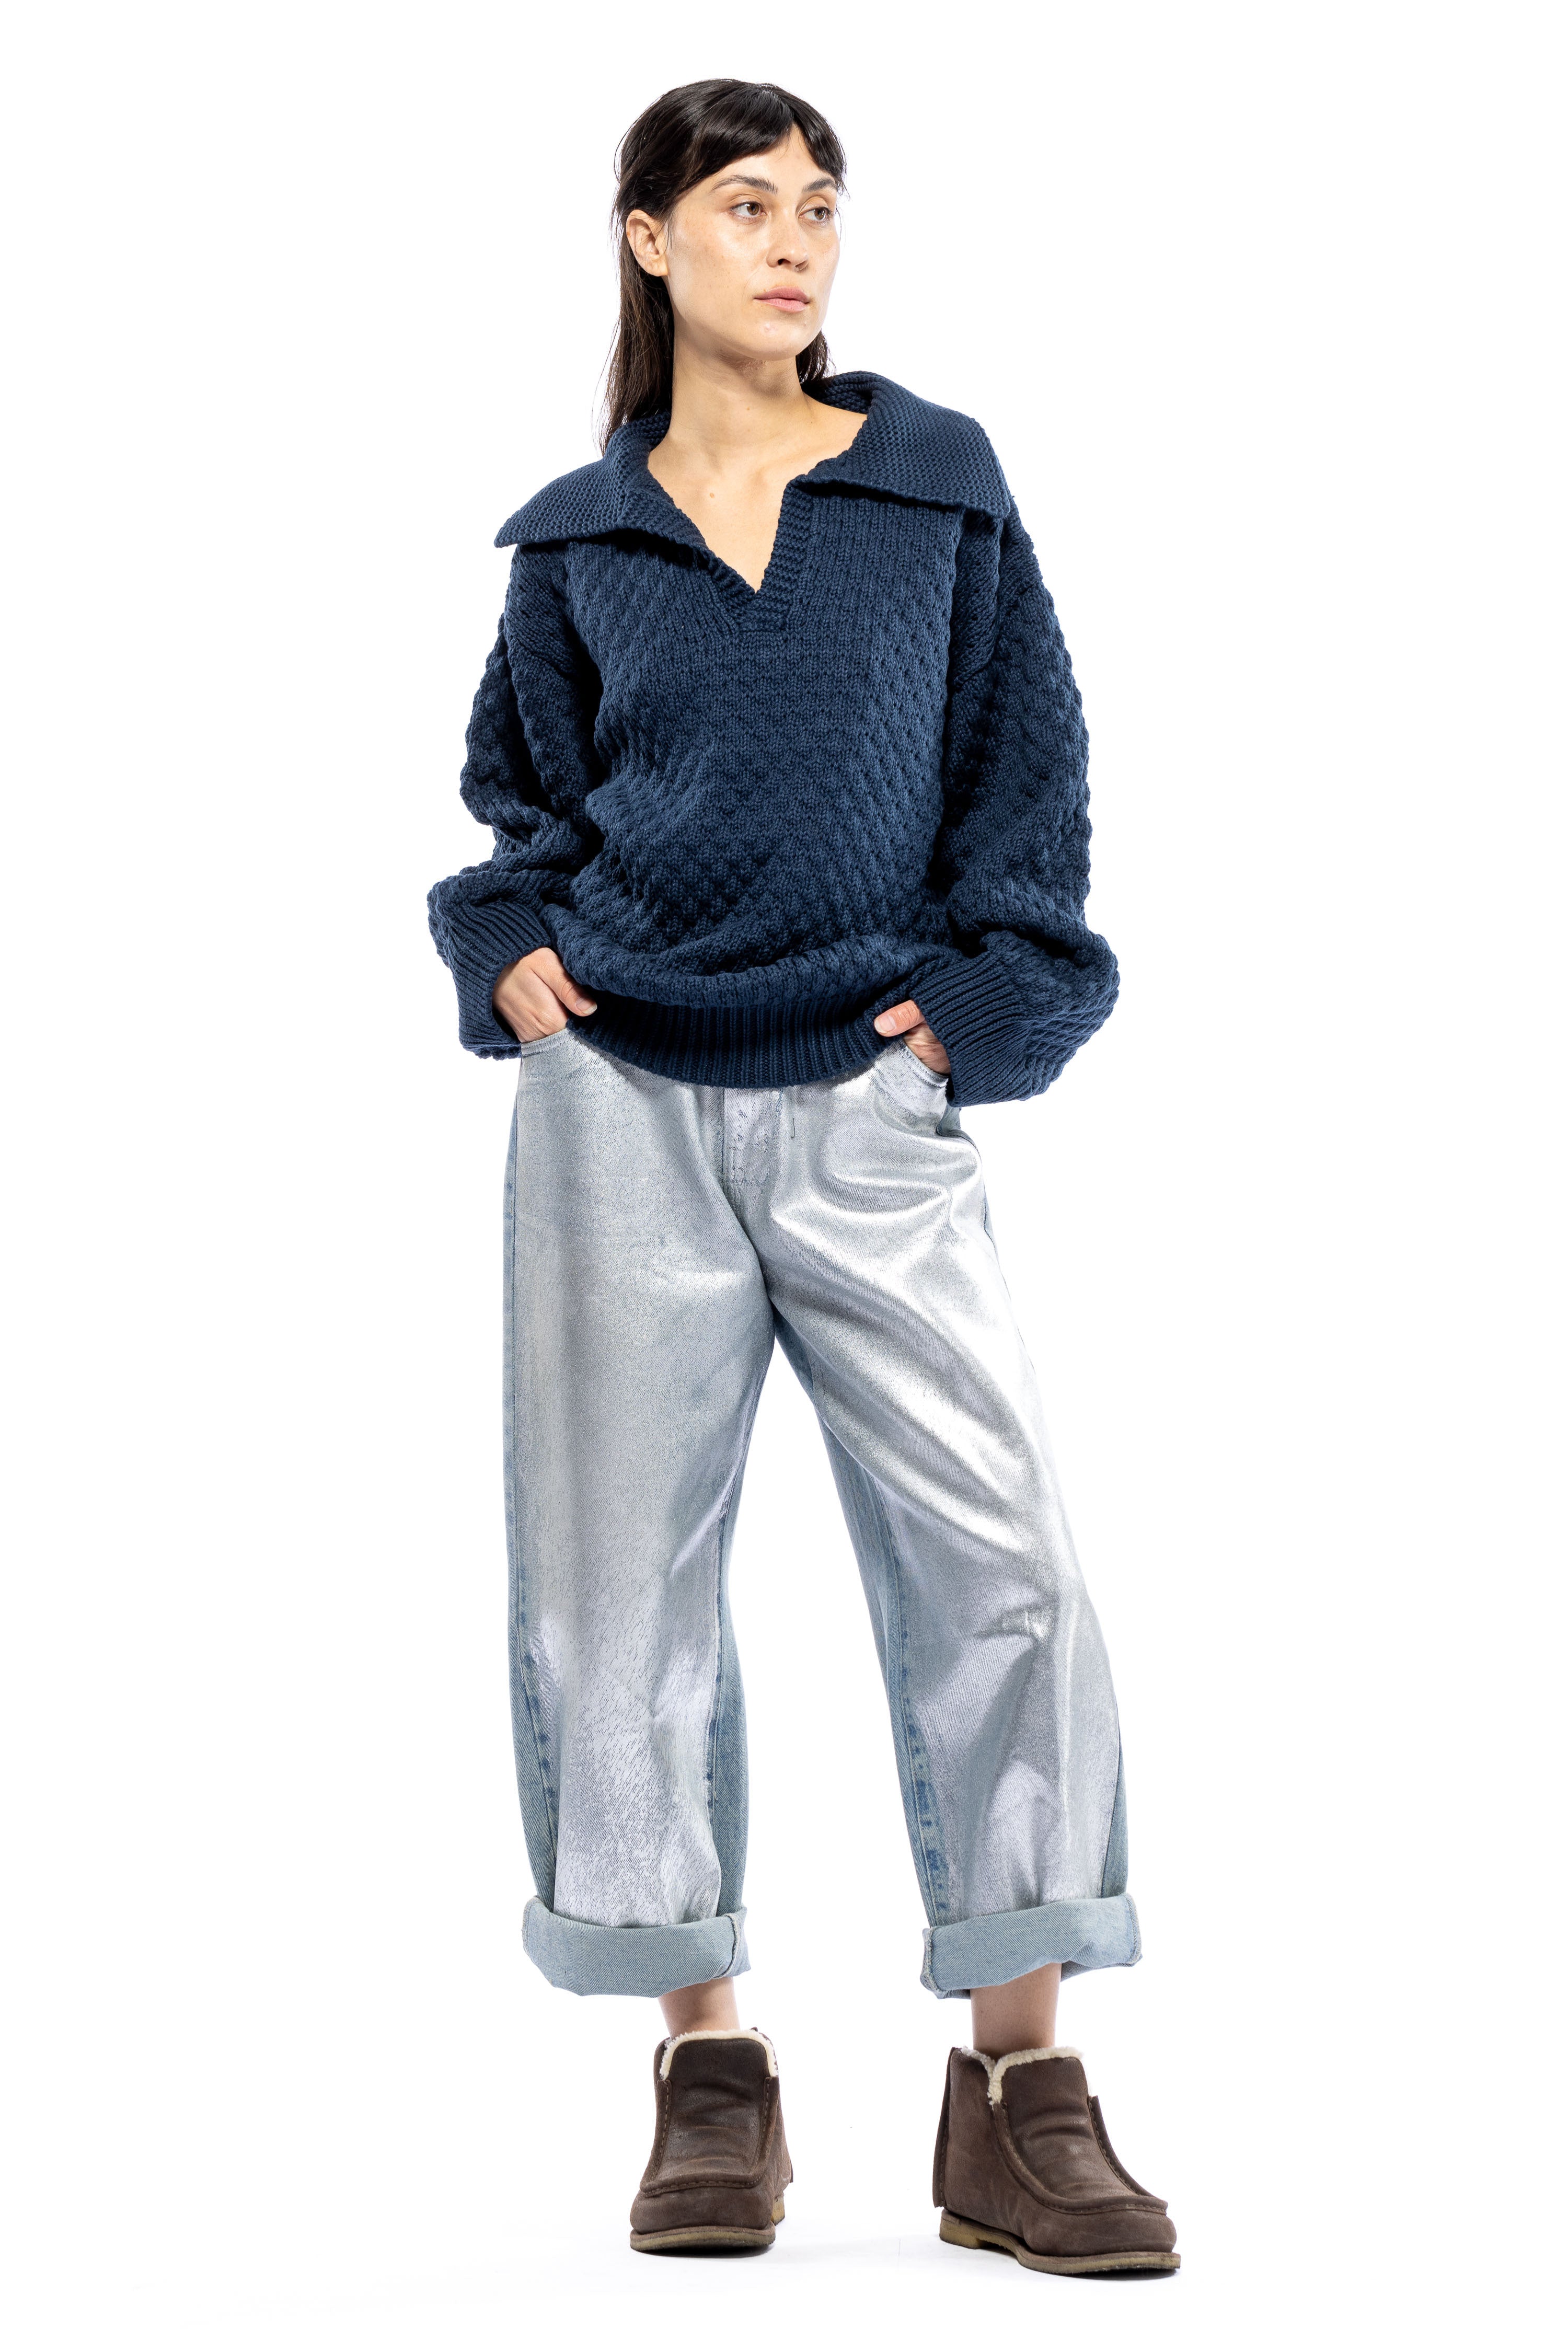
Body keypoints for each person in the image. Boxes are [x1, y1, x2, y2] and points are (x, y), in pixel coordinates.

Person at [428, 77, 1178, 2277]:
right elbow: (519, 806)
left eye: (821, 207)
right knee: (615, 1593)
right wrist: (513, 952)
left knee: (1002, 1558)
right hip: (616, 1099)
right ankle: (709, 2063)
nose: (795, 242)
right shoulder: (577, 542)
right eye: (746, 205)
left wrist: (980, 1007)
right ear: (649, 240)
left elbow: (1028, 777)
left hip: (870, 1089)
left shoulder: (935, 484)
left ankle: (1021, 2087)